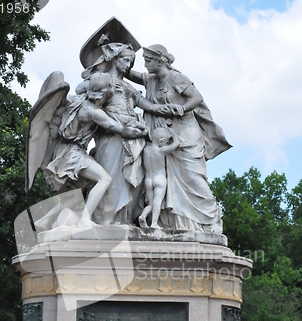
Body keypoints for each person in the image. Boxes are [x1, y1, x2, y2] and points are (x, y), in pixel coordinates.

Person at [127, 44, 232, 232]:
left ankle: (210, 220)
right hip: (166, 136)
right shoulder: (151, 80)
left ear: (160, 60)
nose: (145, 65)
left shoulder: (176, 77)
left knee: (193, 177)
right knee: (168, 179)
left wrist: (182, 108)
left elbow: (197, 97)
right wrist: (112, 51)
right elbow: (128, 73)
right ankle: (176, 223)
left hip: (186, 133)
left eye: (148, 61)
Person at [34, 72, 147, 231]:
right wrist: (144, 132)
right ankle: (84, 220)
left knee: (80, 190)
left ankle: (45, 220)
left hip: (65, 149)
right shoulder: (93, 111)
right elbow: (120, 129)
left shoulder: (77, 100)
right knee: (104, 179)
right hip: (73, 153)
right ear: (106, 92)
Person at [78, 42, 174, 226]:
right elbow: (81, 91)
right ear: (114, 59)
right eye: (125, 59)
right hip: (112, 138)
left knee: (131, 184)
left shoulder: (128, 87)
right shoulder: (103, 81)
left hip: (134, 139)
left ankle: (125, 221)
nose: (128, 65)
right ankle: (104, 222)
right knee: (111, 180)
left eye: (131, 61)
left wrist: (174, 107)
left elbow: (151, 106)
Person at [139, 127, 179, 229]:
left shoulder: (146, 150)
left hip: (148, 180)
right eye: (166, 142)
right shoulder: (161, 150)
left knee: (151, 203)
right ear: (161, 141)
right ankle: (154, 223)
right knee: (157, 201)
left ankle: (143, 215)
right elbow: (176, 144)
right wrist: (173, 134)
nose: (166, 144)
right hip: (159, 179)